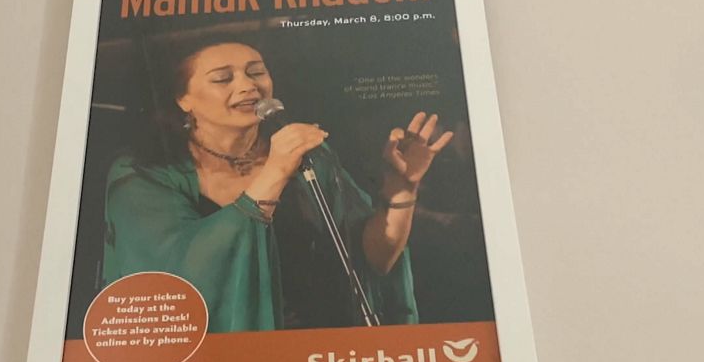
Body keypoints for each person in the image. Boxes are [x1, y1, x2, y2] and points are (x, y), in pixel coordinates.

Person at [102, 40, 454, 332]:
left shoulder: (309, 159)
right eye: (223, 78)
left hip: (320, 351)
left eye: (256, 72)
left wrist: (401, 187)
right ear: (184, 99)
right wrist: (275, 172)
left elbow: (373, 261)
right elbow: (183, 282)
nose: (248, 85)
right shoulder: (143, 174)